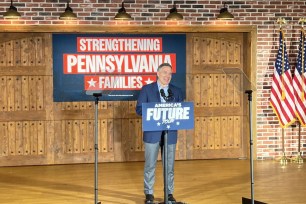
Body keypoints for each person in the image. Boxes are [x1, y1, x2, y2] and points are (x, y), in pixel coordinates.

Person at [136, 63, 184, 204]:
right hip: (152, 133)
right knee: (150, 165)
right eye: (164, 72)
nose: (167, 76)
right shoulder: (147, 89)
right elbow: (139, 109)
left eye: (170, 73)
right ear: (157, 73)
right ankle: (149, 194)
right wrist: (154, 111)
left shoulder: (177, 91)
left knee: (169, 167)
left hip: (170, 133)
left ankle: (169, 194)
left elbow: (181, 110)